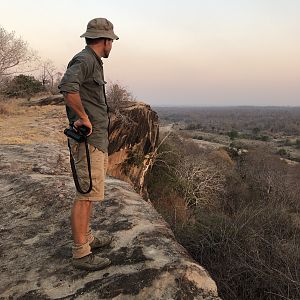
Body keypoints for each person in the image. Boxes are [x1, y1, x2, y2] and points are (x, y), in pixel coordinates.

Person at [59, 18, 119, 271]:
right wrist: (83, 118)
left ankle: (88, 237)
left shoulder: (93, 62)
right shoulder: (84, 60)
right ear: (104, 41)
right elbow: (67, 87)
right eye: (111, 41)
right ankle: (81, 253)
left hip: (96, 141)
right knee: (85, 196)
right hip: (88, 142)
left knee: (90, 195)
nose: (112, 46)